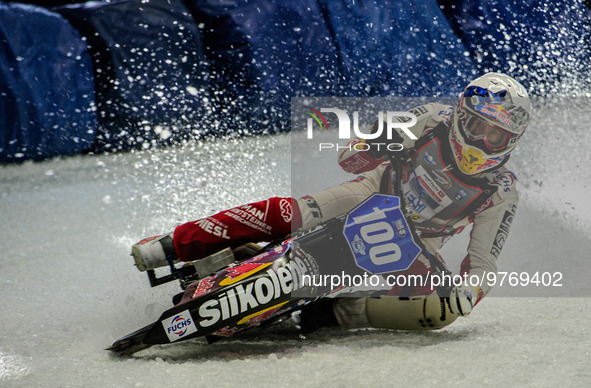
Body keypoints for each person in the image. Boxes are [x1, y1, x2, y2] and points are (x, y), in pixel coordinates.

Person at [131, 72, 530, 332]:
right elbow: (348, 157)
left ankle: (337, 315)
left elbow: (482, 265)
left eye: (495, 136)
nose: (481, 142)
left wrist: (470, 291)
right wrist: (378, 143)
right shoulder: (431, 119)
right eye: (478, 126)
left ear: (510, 142)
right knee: (290, 211)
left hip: (414, 244)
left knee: (443, 312)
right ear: (461, 115)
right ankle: (173, 243)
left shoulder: (501, 190)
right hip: (371, 193)